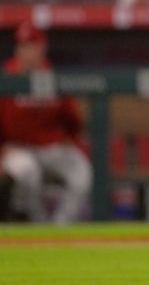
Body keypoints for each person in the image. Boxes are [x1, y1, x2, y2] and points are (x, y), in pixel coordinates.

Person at [0, 22, 92, 223]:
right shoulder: (6, 76)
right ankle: (37, 225)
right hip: (16, 148)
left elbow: (72, 120)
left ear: (42, 48)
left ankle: (61, 226)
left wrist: (71, 139)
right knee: (27, 172)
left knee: (81, 172)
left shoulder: (52, 77)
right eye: (23, 46)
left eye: (32, 46)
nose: (28, 51)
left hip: (51, 147)